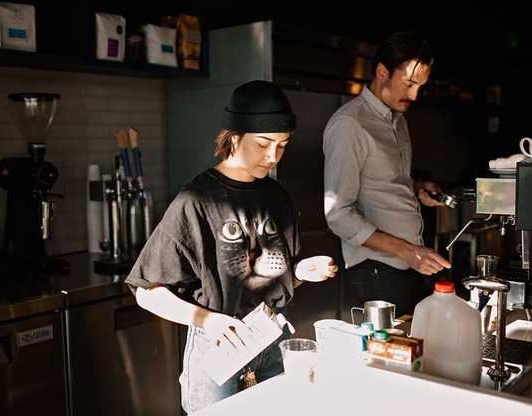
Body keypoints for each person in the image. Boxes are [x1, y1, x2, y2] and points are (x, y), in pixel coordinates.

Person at [125, 80, 338, 414]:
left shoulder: (277, 196)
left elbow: (272, 279)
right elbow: (146, 291)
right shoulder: (197, 200)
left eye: (282, 145)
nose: (273, 156)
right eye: (264, 143)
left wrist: (300, 273)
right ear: (234, 135)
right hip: (219, 344)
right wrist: (208, 321)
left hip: (272, 338)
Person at [322, 31, 451, 318]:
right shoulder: (350, 125)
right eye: (409, 83)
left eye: (421, 86)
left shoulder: (397, 119)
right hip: (377, 270)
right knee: (390, 357)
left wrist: (416, 187)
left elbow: (387, 181)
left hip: (407, 264)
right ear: (382, 72)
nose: (414, 95)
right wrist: (406, 251)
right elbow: (338, 215)